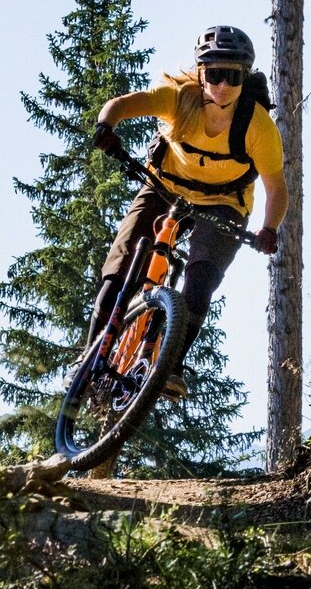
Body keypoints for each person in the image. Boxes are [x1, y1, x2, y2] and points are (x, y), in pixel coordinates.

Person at [86, 25, 287, 400]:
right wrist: (106, 127)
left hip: (224, 203)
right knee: (123, 261)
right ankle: (90, 356)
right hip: (165, 186)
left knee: (202, 279)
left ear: (245, 77)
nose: (223, 85)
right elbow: (122, 105)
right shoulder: (181, 98)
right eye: (214, 74)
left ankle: (171, 366)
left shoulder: (258, 127)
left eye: (234, 76)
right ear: (200, 73)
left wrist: (269, 229)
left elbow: (276, 188)